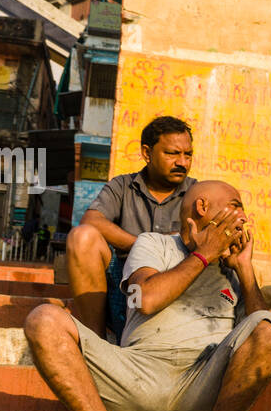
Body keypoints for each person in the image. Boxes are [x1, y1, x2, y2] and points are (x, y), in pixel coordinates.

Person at [23, 180, 271, 411]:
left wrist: (245, 269)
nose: (243, 218)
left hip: (201, 386)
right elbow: (144, 299)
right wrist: (203, 256)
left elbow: (262, 335)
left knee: (269, 328)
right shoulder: (154, 243)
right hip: (133, 376)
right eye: (236, 206)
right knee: (43, 319)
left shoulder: (234, 269)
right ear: (202, 207)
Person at [68, 116, 197, 339]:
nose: (182, 162)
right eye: (172, 154)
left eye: (188, 155)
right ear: (147, 153)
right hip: (126, 289)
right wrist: (145, 247)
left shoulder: (199, 193)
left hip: (175, 295)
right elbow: (91, 221)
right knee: (82, 237)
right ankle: (97, 343)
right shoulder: (122, 186)